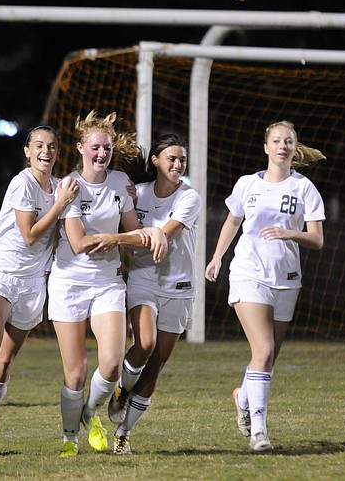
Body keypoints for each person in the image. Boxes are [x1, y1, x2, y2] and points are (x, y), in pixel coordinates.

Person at [0, 125, 79, 454]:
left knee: (5, 363)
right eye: (38, 145)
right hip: (1, 274)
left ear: (58, 152)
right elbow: (31, 235)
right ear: (27, 150)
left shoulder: (59, 187)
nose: (45, 151)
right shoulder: (22, 183)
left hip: (34, 283)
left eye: (51, 146)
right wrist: (61, 204)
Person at [48, 111, 167, 457]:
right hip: (70, 284)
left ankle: (88, 414)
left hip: (108, 283)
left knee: (112, 364)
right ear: (81, 147)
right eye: (96, 148)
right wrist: (123, 237)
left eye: (107, 148)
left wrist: (142, 234)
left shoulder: (119, 183)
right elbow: (78, 243)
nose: (102, 154)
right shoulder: (69, 186)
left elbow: (132, 232)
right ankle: (70, 438)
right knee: (76, 373)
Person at [205, 120, 325, 451]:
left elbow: (317, 239)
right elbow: (232, 221)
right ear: (266, 147)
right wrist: (216, 258)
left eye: (289, 140)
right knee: (264, 350)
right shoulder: (247, 184)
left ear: (294, 147)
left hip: (286, 278)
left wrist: (291, 233)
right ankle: (259, 430)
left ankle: (243, 396)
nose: (283, 145)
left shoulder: (304, 189)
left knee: (269, 357)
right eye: (277, 140)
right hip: (248, 272)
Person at [106, 133, 202, 455]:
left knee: (156, 364)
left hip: (179, 284)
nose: (178, 164)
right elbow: (123, 221)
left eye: (182, 160)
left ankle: (124, 433)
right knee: (144, 343)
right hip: (145, 276)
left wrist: (150, 234)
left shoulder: (189, 197)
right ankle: (121, 389)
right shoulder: (139, 194)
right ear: (156, 161)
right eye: (171, 158)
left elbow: (167, 234)